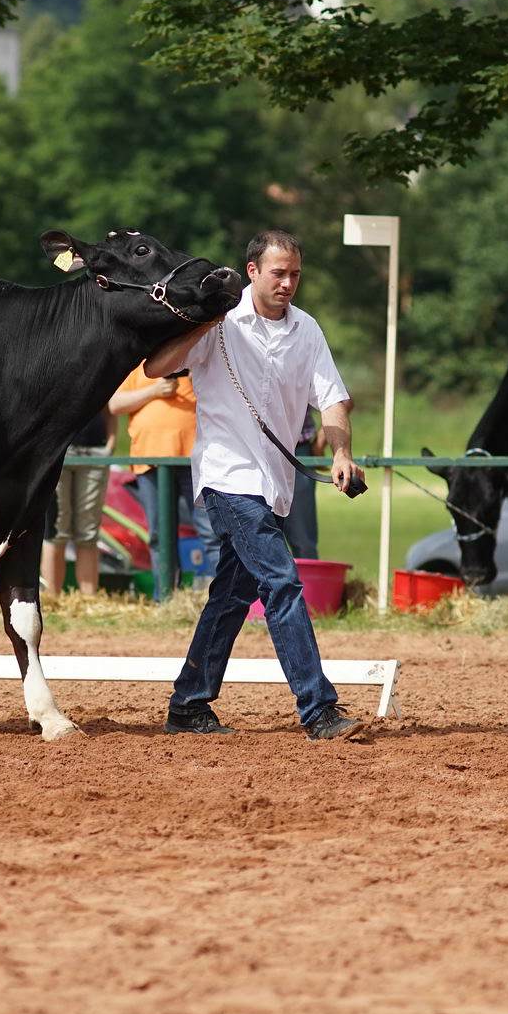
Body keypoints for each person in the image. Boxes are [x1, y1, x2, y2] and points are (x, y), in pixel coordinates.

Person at [146, 229, 366, 741]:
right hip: (228, 477)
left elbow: (332, 398)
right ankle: (318, 709)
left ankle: (188, 704)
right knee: (283, 582)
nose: (288, 283)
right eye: (278, 273)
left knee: (230, 595)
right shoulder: (219, 326)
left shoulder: (306, 329)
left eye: (295, 274)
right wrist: (205, 322)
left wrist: (341, 452)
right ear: (252, 272)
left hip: (278, 483)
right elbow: (157, 365)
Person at [109, 363, 218, 586]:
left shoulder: (194, 358)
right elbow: (115, 404)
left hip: (196, 461)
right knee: (159, 536)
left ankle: (227, 595)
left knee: (211, 531)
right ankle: (166, 596)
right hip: (150, 461)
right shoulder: (136, 362)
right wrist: (154, 391)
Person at [41, 407, 115, 597]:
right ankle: (52, 599)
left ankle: (88, 600)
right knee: (55, 530)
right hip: (57, 451)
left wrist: (111, 442)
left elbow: (111, 405)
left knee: (88, 533)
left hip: (96, 451)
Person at [278, 405, 322, 560]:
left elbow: (343, 401)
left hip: (298, 451)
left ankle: (308, 584)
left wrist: (320, 443)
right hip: (251, 451)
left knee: (302, 541)